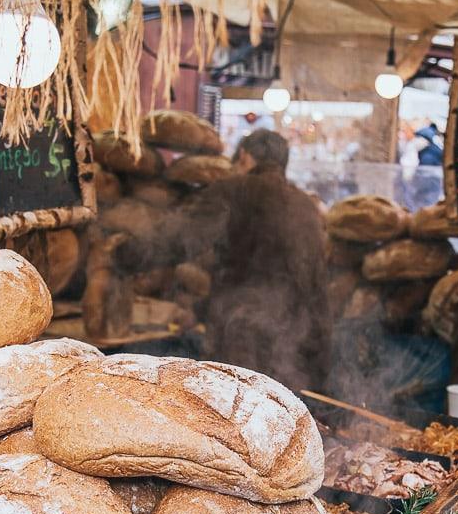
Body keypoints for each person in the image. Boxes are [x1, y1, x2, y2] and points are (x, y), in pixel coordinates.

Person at [117, 129, 331, 392]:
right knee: (279, 416)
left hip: (243, 334)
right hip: (298, 339)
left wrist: (124, 255)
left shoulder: (234, 191)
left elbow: (183, 239)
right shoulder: (306, 206)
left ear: (244, 156)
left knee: (237, 411)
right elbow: (311, 279)